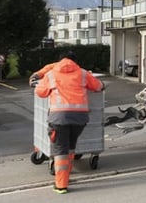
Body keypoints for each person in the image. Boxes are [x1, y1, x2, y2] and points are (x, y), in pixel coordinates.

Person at [34, 52, 104, 194]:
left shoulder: (51, 74)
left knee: (61, 151)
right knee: (70, 147)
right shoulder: (83, 73)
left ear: (59, 60)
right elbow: (99, 86)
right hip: (80, 119)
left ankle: (61, 185)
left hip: (59, 119)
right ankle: (67, 173)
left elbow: (40, 92)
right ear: (75, 61)